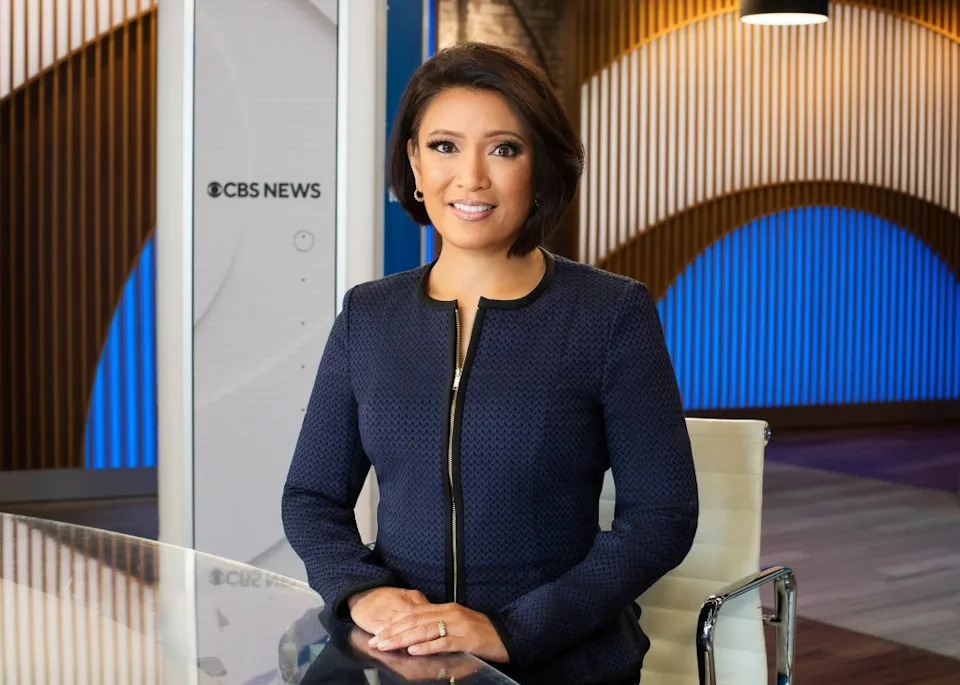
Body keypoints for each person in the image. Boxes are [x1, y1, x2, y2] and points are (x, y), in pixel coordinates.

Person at [282, 42, 698, 685]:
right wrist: (362, 591)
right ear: (415, 164)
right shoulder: (368, 314)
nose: (471, 177)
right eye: (444, 146)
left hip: (561, 660)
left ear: (540, 167)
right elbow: (312, 498)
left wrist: (509, 631)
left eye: (504, 149)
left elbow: (661, 517)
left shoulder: (610, 312)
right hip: (400, 658)